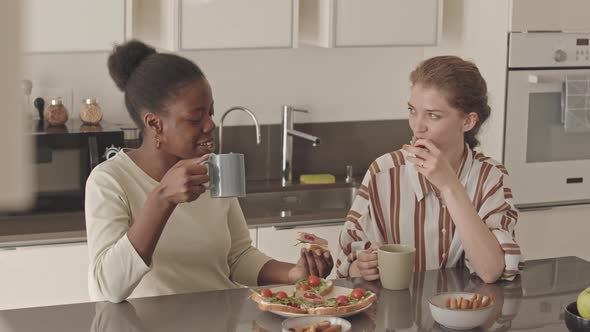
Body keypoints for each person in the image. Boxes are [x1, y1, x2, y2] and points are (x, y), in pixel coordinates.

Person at [85, 40, 333, 303]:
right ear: (154, 123)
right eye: (195, 119)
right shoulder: (109, 181)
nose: (210, 125)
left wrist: (292, 274)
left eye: (211, 113)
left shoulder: (212, 168)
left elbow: (238, 257)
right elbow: (107, 288)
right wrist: (162, 199)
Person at [336, 56, 524, 284]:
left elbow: (491, 270)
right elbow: (346, 267)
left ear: (468, 122)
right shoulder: (383, 172)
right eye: (412, 110)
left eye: (433, 115)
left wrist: (449, 185)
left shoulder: (490, 177)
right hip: (394, 316)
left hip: (466, 315)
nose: (418, 126)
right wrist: (361, 266)